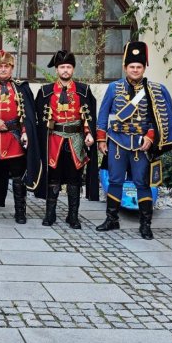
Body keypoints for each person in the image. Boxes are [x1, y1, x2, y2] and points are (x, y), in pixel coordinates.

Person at [96, 41, 172, 239]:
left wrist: (151, 136)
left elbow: (156, 119)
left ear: (144, 68)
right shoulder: (113, 88)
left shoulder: (153, 90)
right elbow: (103, 114)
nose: (135, 70)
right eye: (132, 66)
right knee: (115, 181)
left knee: (142, 183)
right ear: (125, 67)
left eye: (139, 67)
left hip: (141, 145)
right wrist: (101, 139)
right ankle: (112, 219)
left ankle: (145, 224)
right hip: (116, 141)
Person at [34, 50, 98, 229]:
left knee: (74, 178)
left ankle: (73, 216)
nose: (65, 70)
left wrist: (89, 133)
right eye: (62, 67)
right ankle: (50, 214)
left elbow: (89, 116)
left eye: (68, 67)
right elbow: (39, 118)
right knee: (53, 177)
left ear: (73, 69)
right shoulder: (45, 91)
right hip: (54, 140)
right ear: (56, 70)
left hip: (76, 139)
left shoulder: (83, 90)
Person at [0, 50, 39, 224]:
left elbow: (27, 114)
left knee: (18, 176)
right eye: (0, 66)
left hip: (14, 138)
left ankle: (20, 211)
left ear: (11, 68)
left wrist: (25, 132)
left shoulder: (20, 87)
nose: (3, 69)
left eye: (6, 66)